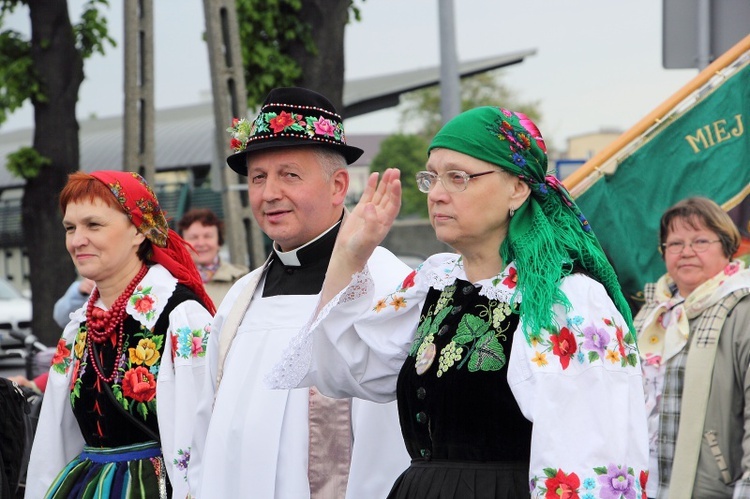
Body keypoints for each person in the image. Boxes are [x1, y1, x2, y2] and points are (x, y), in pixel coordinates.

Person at [270, 106, 650, 498]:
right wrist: (350, 253)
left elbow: (589, 459)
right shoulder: (436, 285)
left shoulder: (564, 301)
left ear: (517, 187)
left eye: (458, 177)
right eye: (431, 177)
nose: (436, 194)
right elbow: (346, 369)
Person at [187, 87, 410, 498]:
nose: (269, 193)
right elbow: (206, 429)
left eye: (289, 174)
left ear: (337, 186)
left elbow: (391, 444)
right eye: (258, 178)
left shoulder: (389, 287)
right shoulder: (240, 298)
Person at [26, 170, 216, 499]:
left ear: (139, 231)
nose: (76, 240)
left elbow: (206, 435)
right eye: (70, 228)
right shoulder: (79, 327)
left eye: (93, 225)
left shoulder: (181, 317)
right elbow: (53, 441)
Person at [634, 196, 750, 498]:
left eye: (700, 241)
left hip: (711, 489)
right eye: (675, 244)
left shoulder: (743, 309)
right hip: (644, 486)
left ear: (727, 247)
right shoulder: (651, 314)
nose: (686, 252)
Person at [177, 207, 249, 304]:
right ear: (182, 244)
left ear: (219, 242)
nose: (201, 243)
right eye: (193, 237)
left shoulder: (242, 280)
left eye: (207, 236)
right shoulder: (171, 281)